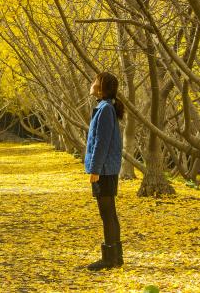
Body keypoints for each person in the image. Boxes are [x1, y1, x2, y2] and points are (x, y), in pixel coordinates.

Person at [84, 71, 124, 271]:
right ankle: (116, 257)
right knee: (109, 213)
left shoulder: (106, 109)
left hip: (104, 169)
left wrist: (95, 169)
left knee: (107, 213)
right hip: (105, 168)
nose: (92, 83)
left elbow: (102, 143)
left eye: (95, 81)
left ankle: (109, 258)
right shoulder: (104, 107)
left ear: (102, 86)